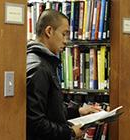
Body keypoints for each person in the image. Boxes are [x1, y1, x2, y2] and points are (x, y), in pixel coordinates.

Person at [26, 10, 99, 140]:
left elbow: (50, 106)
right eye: (64, 34)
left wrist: (77, 111)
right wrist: (69, 133)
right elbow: (35, 122)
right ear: (49, 31)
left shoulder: (45, 62)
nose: (66, 41)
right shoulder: (39, 68)